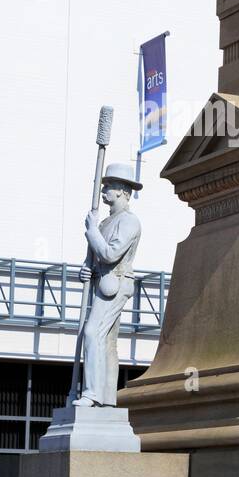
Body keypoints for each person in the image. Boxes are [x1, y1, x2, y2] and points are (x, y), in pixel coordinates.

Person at [74, 163, 142, 408]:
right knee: (107, 343)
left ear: (123, 191)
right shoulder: (104, 223)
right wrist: (87, 269)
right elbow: (96, 260)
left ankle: (92, 394)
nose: (104, 190)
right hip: (103, 283)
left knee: (92, 333)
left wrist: (91, 232)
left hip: (117, 283)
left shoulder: (129, 222)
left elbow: (111, 254)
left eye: (109, 186)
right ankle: (106, 398)